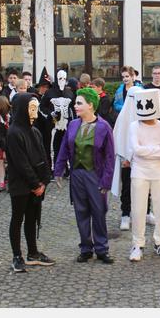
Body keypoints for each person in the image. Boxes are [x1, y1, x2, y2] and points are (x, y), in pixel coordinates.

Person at [54, 88, 116, 264]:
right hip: (77, 174)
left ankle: (102, 249)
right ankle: (86, 248)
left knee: (98, 211)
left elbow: (111, 157)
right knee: (81, 211)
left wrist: (106, 181)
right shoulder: (73, 125)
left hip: (95, 175)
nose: (75, 105)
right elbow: (64, 149)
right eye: (76, 103)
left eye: (79, 103)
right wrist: (58, 171)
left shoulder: (104, 127)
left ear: (91, 105)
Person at [6, 93, 54, 272]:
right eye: (31, 109)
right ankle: (17, 255)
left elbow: (43, 156)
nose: (35, 113)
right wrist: (35, 184)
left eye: (36, 108)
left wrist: (44, 181)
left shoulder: (35, 131)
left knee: (32, 218)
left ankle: (33, 252)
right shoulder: (14, 133)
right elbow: (21, 163)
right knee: (17, 218)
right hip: (21, 185)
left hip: (37, 186)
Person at [125, 89, 160, 261]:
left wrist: (147, 151)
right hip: (140, 171)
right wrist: (156, 150)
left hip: (159, 172)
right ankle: (137, 244)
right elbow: (136, 150)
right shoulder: (134, 126)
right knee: (138, 208)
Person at [111, 86, 143, 230]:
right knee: (127, 188)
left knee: (144, 188)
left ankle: (146, 212)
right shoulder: (123, 117)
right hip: (126, 161)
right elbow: (118, 137)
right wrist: (124, 156)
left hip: (142, 159)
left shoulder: (143, 114)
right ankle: (125, 214)